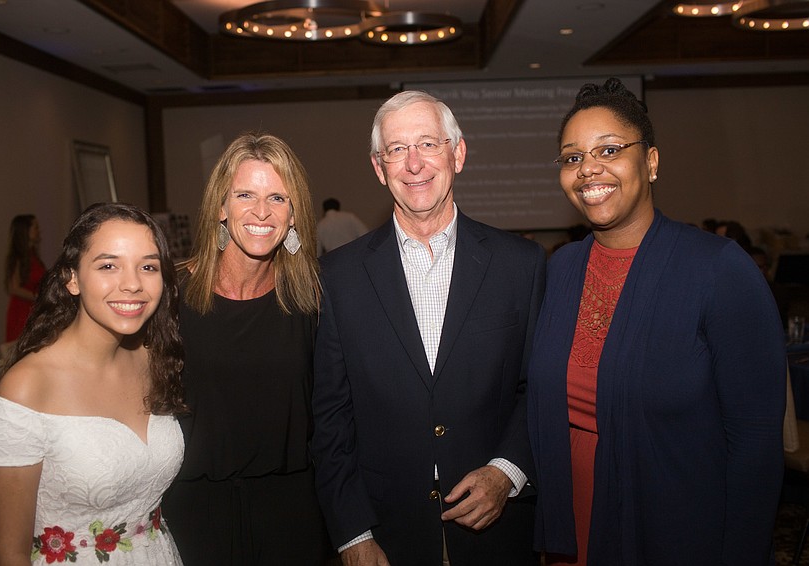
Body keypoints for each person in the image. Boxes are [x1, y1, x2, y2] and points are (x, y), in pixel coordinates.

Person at [528, 78, 785, 565]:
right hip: (572, 520)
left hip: (677, 526)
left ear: (650, 162)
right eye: (572, 157)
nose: (589, 170)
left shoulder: (719, 269)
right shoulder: (560, 269)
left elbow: (754, 443)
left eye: (608, 149)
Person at [311, 90, 546, 566]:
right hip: (385, 535)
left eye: (428, 144)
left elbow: (538, 388)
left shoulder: (520, 265)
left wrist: (506, 472)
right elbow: (330, 418)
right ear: (379, 168)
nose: (413, 163)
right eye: (397, 149)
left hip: (497, 534)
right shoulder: (336, 277)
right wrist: (352, 533)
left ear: (457, 154)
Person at [0, 202, 187, 565]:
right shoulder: (28, 387)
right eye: (109, 265)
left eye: (148, 266)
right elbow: (4, 552)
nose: (133, 283)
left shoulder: (155, 360)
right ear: (71, 278)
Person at [162, 132, 330, 565]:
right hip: (193, 515)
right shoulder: (170, 296)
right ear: (221, 207)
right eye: (245, 195)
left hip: (292, 516)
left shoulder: (312, 298)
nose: (261, 212)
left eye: (278, 198)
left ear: (294, 215)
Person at [4, 214, 46, 342]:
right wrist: (38, 297)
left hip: (33, 310)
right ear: (25, 231)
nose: (38, 231)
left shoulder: (33, 256)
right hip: (22, 311)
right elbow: (14, 288)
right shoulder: (18, 257)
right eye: (35, 227)